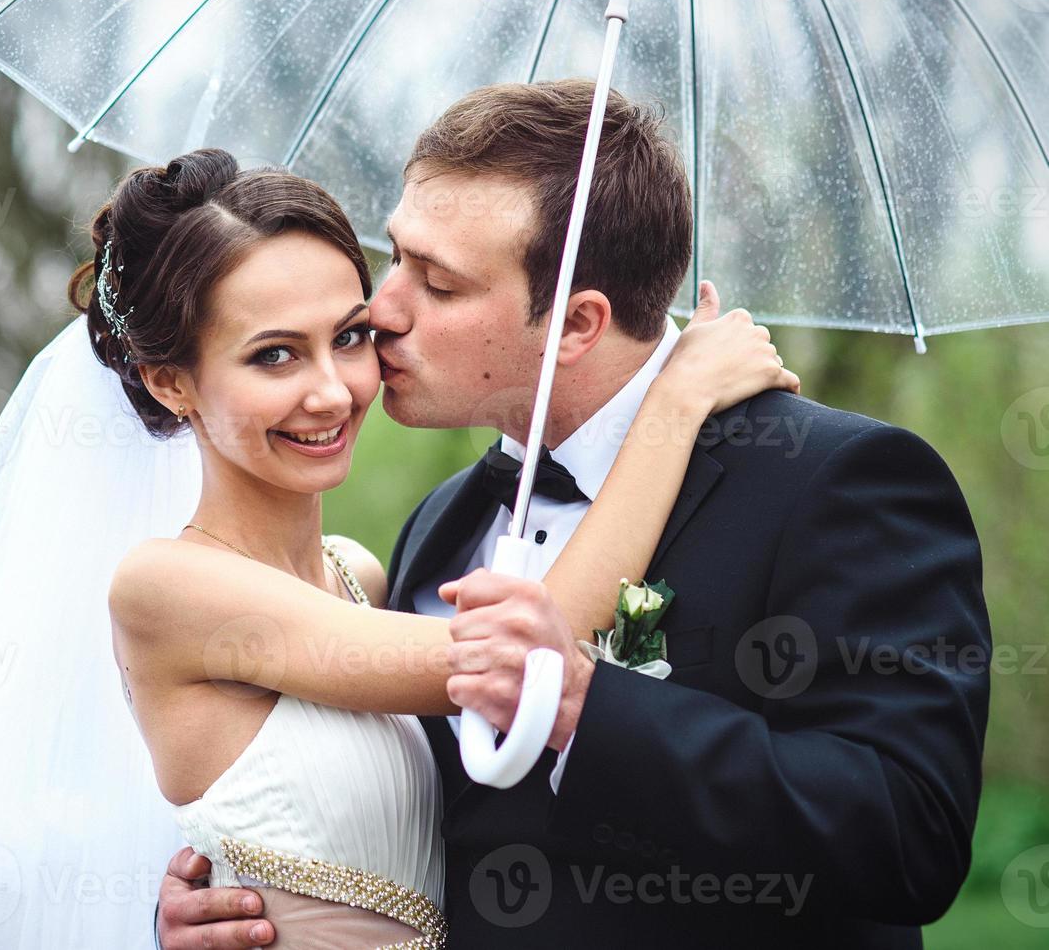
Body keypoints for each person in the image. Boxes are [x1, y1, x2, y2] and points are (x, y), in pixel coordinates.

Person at [157, 82, 990, 949]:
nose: (383, 310)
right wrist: (251, 895)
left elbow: (910, 834)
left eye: (437, 284)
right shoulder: (439, 524)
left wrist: (591, 711)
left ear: (577, 324)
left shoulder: (835, 483)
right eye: (394, 255)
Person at [84, 144, 790, 948]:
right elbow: (524, 652)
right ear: (168, 381)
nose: (333, 389)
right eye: (273, 355)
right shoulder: (163, 587)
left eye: (349, 337)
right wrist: (679, 398)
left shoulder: (361, 573)